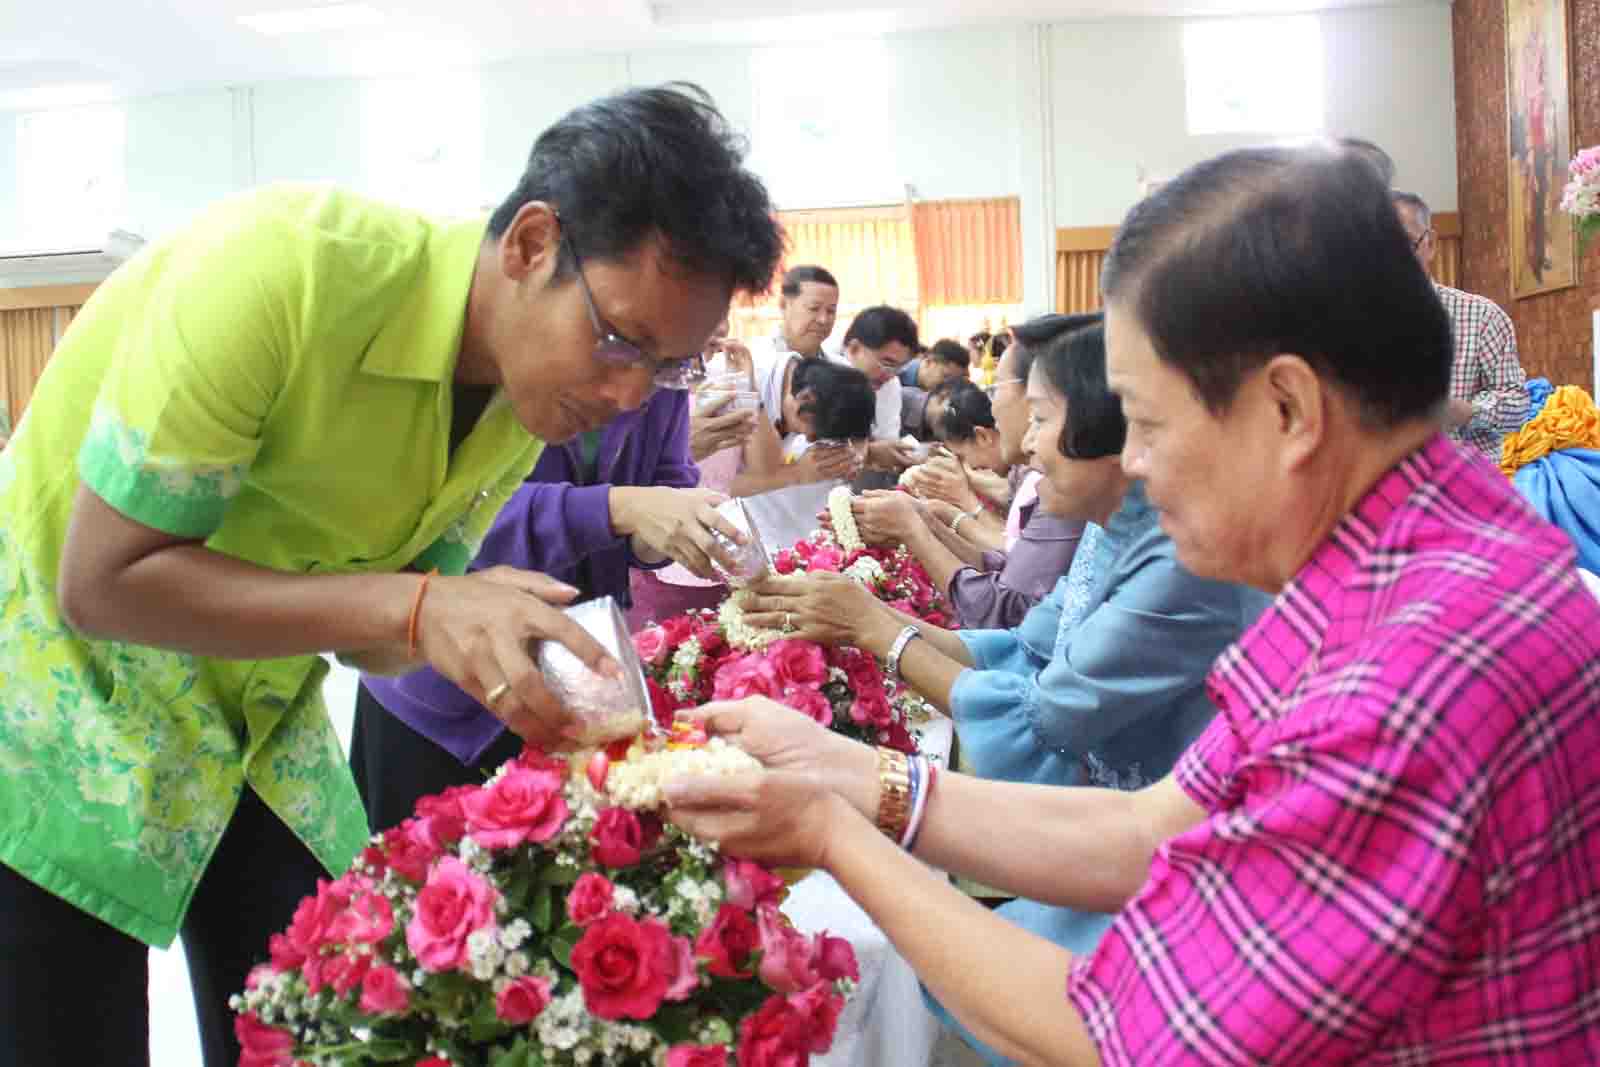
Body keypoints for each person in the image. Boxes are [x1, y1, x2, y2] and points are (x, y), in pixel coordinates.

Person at [664, 143, 1600, 1067]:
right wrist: (846, 774)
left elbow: (1120, 1030)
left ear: (1288, 409)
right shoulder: (1386, 562)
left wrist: (832, 831)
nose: (1135, 462)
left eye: (1147, 422)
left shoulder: (1411, 671)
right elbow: (1158, 828)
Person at [0, 83, 783, 1067]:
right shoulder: (279, 272)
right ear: (530, 244)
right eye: (620, 340)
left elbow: (373, 640)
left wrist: (497, 642)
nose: (630, 395)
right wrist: (419, 605)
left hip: (252, 713)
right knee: (69, 1025)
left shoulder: (517, 397)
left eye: (664, 367)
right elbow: (103, 583)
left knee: (320, 1024)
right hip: (58, 702)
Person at [352, 379, 720, 833]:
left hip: (569, 678)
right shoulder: (492, 374)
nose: (636, 392)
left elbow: (666, 483)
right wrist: (614, 508)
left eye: (680, 364)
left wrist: (668, 529)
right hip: (444, 689)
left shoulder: (665, 382)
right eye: (641, 350)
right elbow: (454, 516)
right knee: (429, 859)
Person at [860, 371, 1083, 632]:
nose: (1028, 441)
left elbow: (1003, 608)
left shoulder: (1057, 492)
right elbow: (1009, 566)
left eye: (1039, 418)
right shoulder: (1041, 482)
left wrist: (918, 529)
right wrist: (929, 521)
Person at [1393, 190, 1528, 460]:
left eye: (1405, 244)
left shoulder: (1482, 317)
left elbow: (1517, 403)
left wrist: (1466, 412)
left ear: (1431, 243)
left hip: (1468, 475)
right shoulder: (1354, 323)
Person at [737, 357, 877, 551]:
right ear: (805, 398)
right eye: (816, 433)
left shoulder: (834, 387)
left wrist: (856, 457)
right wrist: (795, 473)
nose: (810, 440)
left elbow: (860, 435)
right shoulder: (741, 387)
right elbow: (714, 485)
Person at [750, 264, 839, 363]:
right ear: (783, 305)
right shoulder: (755, 362)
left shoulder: (842, 367)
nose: (823, 320)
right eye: (814, 308)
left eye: (831, 311)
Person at [900, 339, 973, 440]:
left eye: (953, 381)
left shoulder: (935, 396)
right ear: (928, 362)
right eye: (945, 376)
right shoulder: (892, 376)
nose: (947, 386)